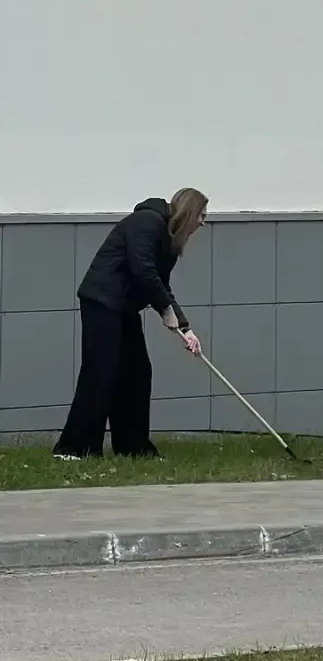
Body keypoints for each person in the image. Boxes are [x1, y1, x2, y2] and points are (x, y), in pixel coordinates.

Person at [53, 190, 208, 461]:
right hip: (102, 301)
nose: (203, 222)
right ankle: (76, 448)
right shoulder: (146, 222)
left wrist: (185, 328)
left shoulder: (169, 239)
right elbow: (143, 269)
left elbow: (161, 284)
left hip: (124, 307)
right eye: (201, 215)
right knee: (101, 372)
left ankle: (133, 447)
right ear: (189, 212)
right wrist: (165, 310)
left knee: (137, 373)